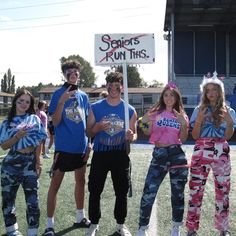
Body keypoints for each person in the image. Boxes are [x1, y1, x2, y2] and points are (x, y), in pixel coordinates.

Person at [85, 71, 137, 236]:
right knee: (95, 190)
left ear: (122, 87)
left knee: (121, 191)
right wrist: (98, 127)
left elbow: (133, 134)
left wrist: (131, 136)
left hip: (120, 154)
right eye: (110, 85)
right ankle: (94, 223)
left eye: (117, 85)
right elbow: (88, 133)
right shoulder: (96, 107)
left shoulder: (129, 109)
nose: (113, 88)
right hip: (101, 154)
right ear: (106, 86)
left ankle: (120, 225)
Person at [43, 60, 91, 236]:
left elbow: (87, 121)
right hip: (63, 148)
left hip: (81, 147)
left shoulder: (84, 96)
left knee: (81, 181)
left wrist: (90, 142)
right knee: (55, 185)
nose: (73, 74)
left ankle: (80, 216)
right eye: (70, 72)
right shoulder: (58, 94)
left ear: (79, 75)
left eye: (76, 72)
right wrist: (62, 101)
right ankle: (49, 225)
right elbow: (55, 122)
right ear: (64, 74)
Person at [185, 72, 236, 236]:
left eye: (215, 90)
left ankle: (223, 229)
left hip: (221, 150)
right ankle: (191, 229)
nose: (211, 93)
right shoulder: (198, 110)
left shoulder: (230, 111)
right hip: (201, 149)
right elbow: (194, 136)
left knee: (223, 190)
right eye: (208, 90)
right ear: (204, 93)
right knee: (195, 190)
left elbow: (228, 136)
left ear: (220, 92)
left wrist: (229, 121)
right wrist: (199, 119)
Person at [136, 82, 189, 236]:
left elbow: (184, 138)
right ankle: (142, 227)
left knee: (177, 193)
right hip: (159, 154)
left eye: (172, 95)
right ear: (162, 97)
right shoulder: (155, 112)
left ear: (176, 97)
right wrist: (143, 121)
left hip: (176, 155)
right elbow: (146, 132)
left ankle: (176, 227)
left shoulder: (181, 115)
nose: (168, 98)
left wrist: (183, 125)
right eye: (166, 95)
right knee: (148, 191)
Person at [0, 89, 47, 236]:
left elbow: (40, 141)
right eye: (21, 101)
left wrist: (38, 162)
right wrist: (17, 137)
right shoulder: (7, 122)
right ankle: (12, 230)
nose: (24, 104)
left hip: (30, 163)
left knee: (33, 200)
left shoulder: (34, 119)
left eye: (27, 101)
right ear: (15, 101)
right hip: (11, 164)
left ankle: (32, 231)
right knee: (8, 199)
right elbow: (4, 146)